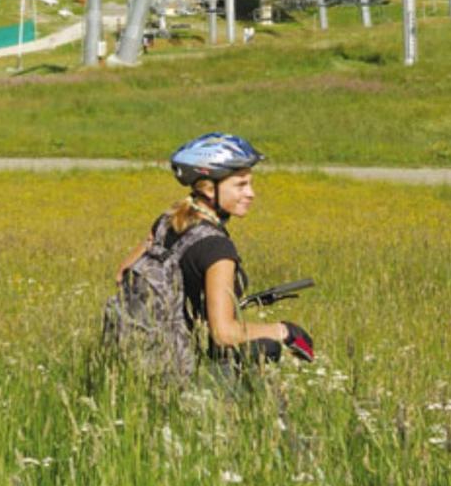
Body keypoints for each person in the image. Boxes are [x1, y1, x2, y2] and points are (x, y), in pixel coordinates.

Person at [114, 133, 314, 368]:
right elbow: (224, 333)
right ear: (209, 189)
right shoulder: (217, 249)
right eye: (240, 185)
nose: (251, 193)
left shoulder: (167, 222)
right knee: (266, 350)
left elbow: (123, 273)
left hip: (137, 358)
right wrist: (284, 331)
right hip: (186, 370)